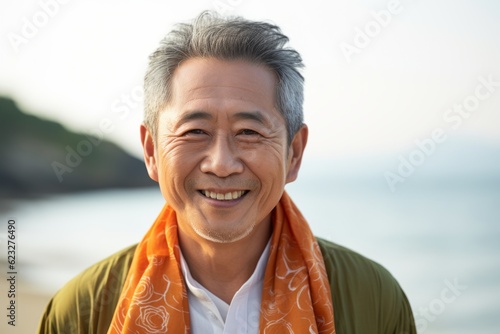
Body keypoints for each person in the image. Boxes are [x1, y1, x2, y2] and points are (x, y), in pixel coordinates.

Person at [38, 11, 416, 334]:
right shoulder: (83, 310)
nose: (221, 163)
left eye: (249, 132)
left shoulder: (373, 300)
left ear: (294, 154)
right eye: (194, 131)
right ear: (152, 151)